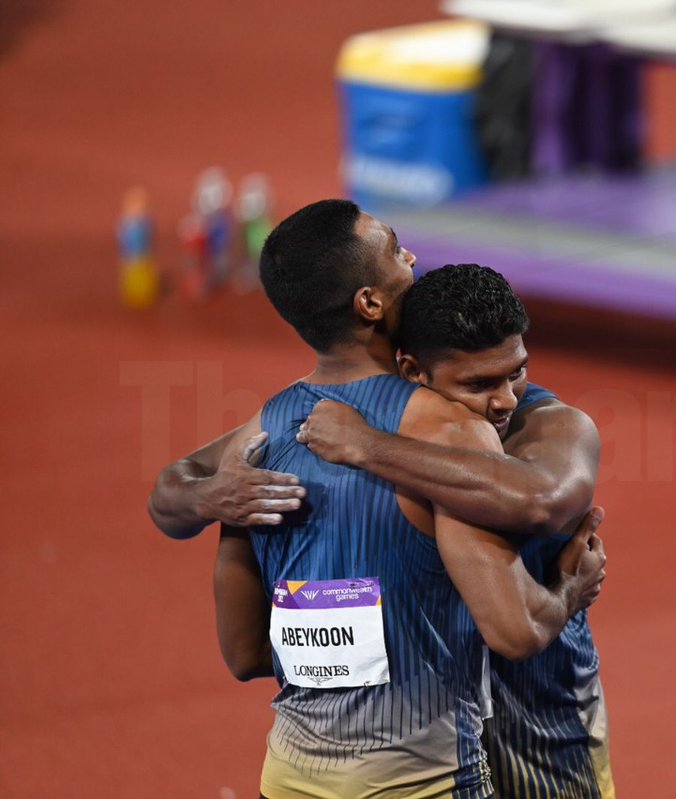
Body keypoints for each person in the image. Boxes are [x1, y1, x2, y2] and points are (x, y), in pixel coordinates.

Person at [149, 199, 606, 799]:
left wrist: (215, 495)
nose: (410, 255)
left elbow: (244, 651)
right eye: (394, 247)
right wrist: (573, 588)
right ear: (370, 302)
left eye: (512, 375)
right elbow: (515, 627)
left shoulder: (271, 432)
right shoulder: (452, 433)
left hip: (290, 776)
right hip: (456, 772)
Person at [299, 264, 614, 799]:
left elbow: (538, 500)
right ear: (413, 370)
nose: (507, 399)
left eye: (516, 371)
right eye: (480, 383)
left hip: (547, 729)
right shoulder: (352, 419)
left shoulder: (556, 424)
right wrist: (204, 491)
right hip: (432, 743)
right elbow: (175, 488)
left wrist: (368, 449)